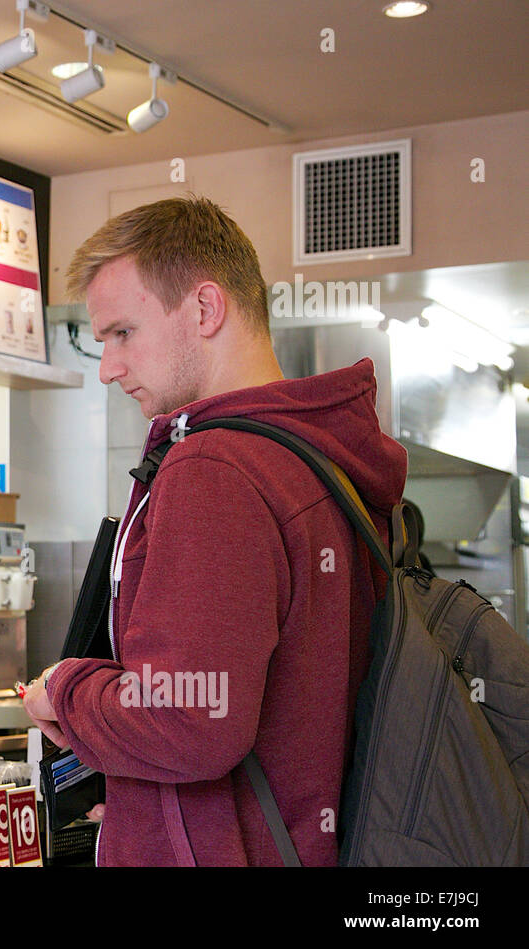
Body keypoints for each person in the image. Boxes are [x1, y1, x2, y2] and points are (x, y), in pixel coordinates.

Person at [22, 197, 407, 866]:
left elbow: (187, 721)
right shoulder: (318, 458)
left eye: (122, 333)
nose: (108, 367)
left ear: (205, 309)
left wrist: (68, 689)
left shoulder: (215, 465)